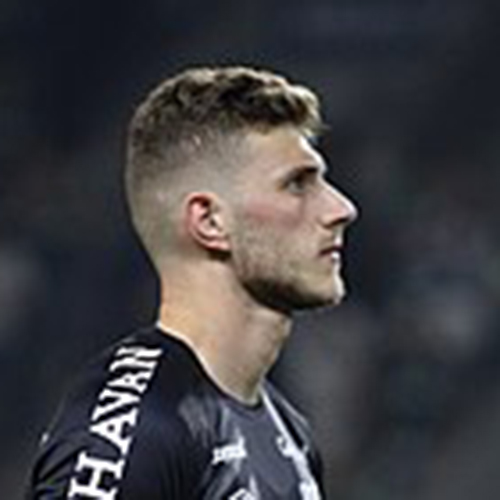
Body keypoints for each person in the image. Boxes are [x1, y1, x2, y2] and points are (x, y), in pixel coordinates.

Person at [26, 65, 358, 499]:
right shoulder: (138, 423)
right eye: (297, 184)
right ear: (210, 222)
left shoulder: (291, 435)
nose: (341, 208)